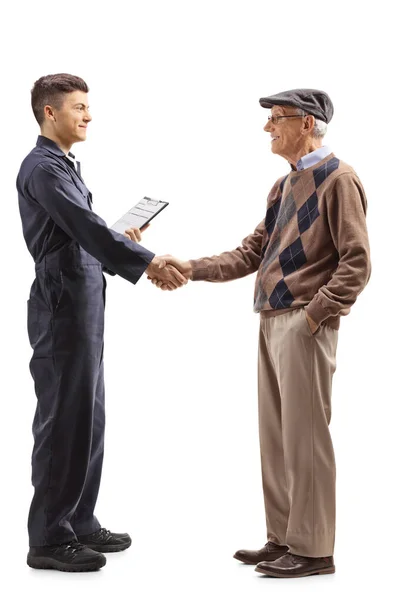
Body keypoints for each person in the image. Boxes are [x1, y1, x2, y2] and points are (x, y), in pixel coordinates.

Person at [150, 89, 371, 578]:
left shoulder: (340, 178)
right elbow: (251, 252)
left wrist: (317, 315)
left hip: (302, 323)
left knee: (306, 436)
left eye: (276, 119)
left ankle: (314, 550)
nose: (267, 127)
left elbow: (357, 262)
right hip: (271, 320)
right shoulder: (282, 187)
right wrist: (190, 266)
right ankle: (284, 537)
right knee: (276, 437)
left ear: (308, 123)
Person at [17, 73, 187, 572]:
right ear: (51, 113)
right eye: (79, 107)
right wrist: (146, 259)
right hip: (61, 304)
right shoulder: (42, 167)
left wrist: (124, 239)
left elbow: (80, 236)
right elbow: (84, 231)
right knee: (62, 418)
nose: (88, 116)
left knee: (89, 414)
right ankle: (48, 538)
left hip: (84, 301)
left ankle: (79, 520)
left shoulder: (64, 166)